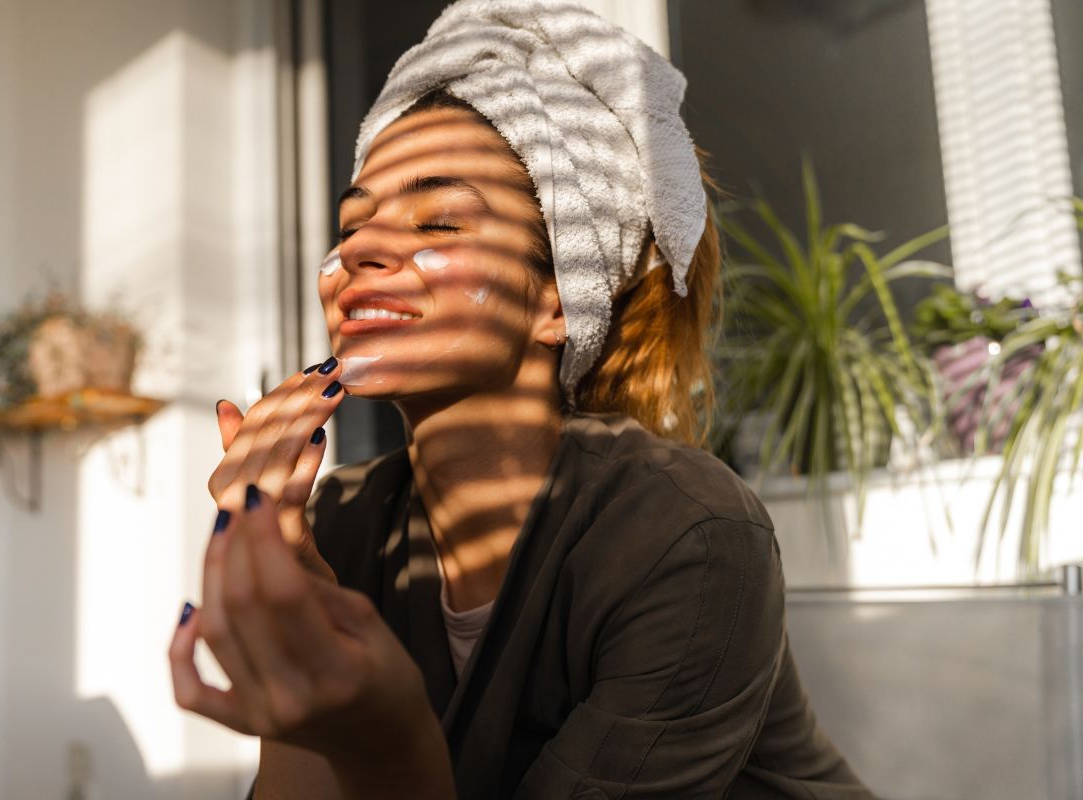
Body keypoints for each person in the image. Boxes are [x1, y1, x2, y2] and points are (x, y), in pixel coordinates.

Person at [168, 1, 876, 798]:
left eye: (437, 222)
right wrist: (295, 594)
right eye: (353, 224)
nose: (358, 248)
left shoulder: (687, 536)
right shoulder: (342, 523)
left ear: (561, 302)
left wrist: (391, 742)